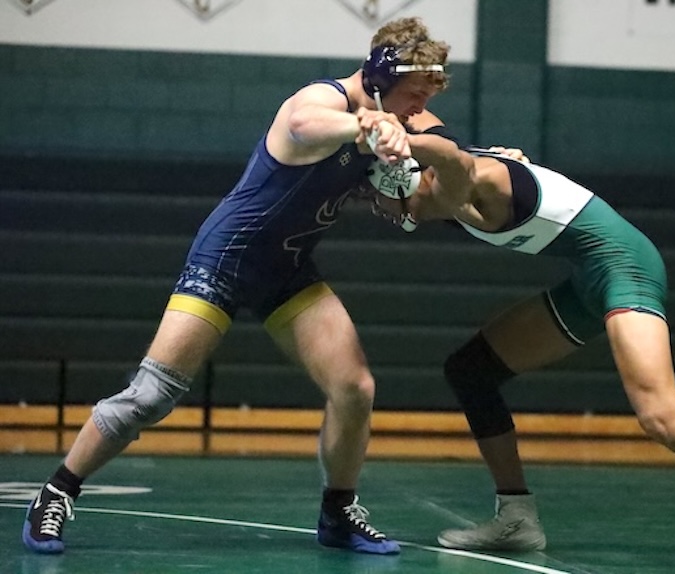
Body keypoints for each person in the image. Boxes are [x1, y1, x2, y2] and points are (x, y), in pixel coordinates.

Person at [22, 17, 450, 556]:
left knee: (354, 387)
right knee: (151, 396)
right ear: (381, 80)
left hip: (286, 269)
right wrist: (364, 127)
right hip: (226, 257)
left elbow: (433, 163)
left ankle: (339, 512)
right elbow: (304, 124)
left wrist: (486, 165)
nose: (418, 108)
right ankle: (57, 491)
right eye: (414, 95)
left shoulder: (394, 118)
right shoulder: (325, 101)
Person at [355, 125, 675, 573]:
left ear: (402, 177)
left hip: (625, 267)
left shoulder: (471, 181)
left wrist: (394, 137)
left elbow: (449, 155)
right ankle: (517, 517)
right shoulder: (448, 189)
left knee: (660, 414)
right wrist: (382, 127)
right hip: (590, 278)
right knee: (471, 371)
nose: (378, 209)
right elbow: (431, 131)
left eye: (377, 196)